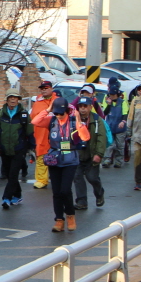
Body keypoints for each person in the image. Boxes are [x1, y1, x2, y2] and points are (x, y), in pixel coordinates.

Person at [31, 98, 83, 232]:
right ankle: (59, 219)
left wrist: (78, 121)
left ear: (67, 111)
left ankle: (70, 216)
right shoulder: (52, 120)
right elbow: (35, 121)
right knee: (56, 192)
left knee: (65, 190)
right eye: (56, 113)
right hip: (54, 159)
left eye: (61, 113)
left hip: (70, 160)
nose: (59, 116)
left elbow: (85, 137)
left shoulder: (72, 122)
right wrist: (47, 110)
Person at [0, 91, 30, 209]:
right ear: (7, 99)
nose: (13, 100)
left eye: (15, 98)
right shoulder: (0, 113)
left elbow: (30, 132)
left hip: (19, 149)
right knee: (10, 174)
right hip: (5, 149)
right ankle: (18, 195)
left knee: (13, 174)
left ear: (18, 100)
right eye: (10, 97)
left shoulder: (24, 114)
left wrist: (32, 149)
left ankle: (6, 198)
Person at [72, 96, 107, 210]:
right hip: (77, 155)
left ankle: (99, 193)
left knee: (92, 178)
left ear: (90, 107)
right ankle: (82, 201)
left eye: (85, 106)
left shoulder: (97, 120)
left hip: (92, 154)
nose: (82, 109)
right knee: (77, 177)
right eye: (80, 106)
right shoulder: (74, 119)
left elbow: (102, 138)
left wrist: (99, 154)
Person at [29, 79, 57, 189]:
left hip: (55, 134)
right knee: (41, 157)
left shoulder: (57, 101)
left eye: (46, 88)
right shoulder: (37, 103)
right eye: (42, 89)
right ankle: (41, 179)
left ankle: (56, 178)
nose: (44, 90)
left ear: (51, 89)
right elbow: (32, 119)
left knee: (56, 158)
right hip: (40, 134)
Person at [102, 90, 128, 169]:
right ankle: (107, 160)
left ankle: (118, 161)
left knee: (119, 146)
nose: (111, 96)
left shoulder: (123, 102)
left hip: (120, 128)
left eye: (113, 94)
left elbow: (125, 113)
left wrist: (123, 122)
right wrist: (109, 104)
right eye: (111, 94)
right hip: (110, 127)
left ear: (117, 95)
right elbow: (105, 113)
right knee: (109, 145)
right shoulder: (108, 102)